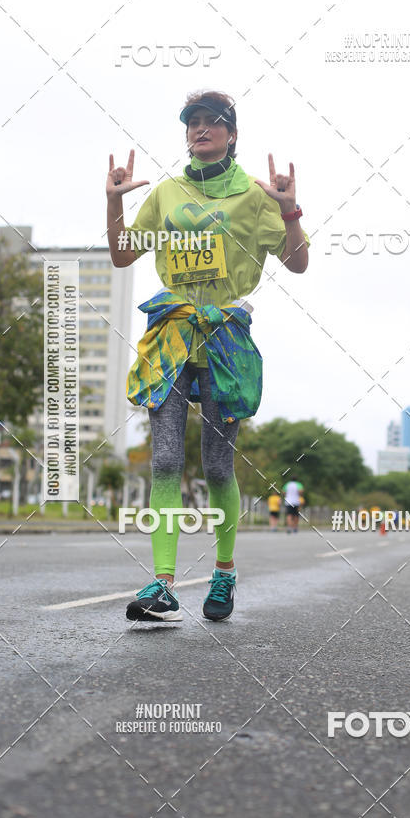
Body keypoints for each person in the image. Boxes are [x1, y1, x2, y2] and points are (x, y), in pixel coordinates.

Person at [105, 90, 310, 622]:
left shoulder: (255, 196)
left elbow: (297, 262)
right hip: (170, 332)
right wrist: (114, 203)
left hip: (224, 338)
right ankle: (163, 584)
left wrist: (289, 210)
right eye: (193, 121)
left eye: (212, 122)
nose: (200, 129)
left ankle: (223, 572)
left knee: (218, 464)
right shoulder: (167, 193)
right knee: (166, 461)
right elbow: (123, 255)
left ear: (231, 134)